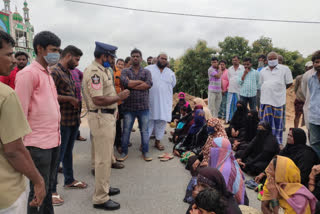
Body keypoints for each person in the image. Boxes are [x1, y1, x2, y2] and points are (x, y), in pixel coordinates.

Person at [15, 31, 61, 214]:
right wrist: (22, 146)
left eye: (58, 50)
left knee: (48, 187)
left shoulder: (47, 73)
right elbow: (20, 112)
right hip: (37, 144)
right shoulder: (28, 74)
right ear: (40, 49)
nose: (56, 54)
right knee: (38, 190)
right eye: (53, 50)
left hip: (53, 140)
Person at [0, 30, 46, 213]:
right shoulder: (5, 95)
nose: (13, 60)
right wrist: (38, 180)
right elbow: (14, 151)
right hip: (7, 193)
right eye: (9, 54)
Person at [82, 41, 130, 210]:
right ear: (103, 56)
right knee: (103, 160)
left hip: (106, 117)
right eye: (111, 57)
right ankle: (100, 198)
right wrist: (119, 97)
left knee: (106, 157)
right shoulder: (95, 72)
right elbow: (98, 99)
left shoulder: (104, 70)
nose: (112, 59)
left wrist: (114, 107)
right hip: (101, 118)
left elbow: (105, 94)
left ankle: (104, 188)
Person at [50, 45, 87, 206]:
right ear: (68, 56)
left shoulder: (68, 72)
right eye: (77, 59)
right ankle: (51, 190)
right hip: (62, 121)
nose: (78, 63)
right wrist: (69, 99)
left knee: (67, 153)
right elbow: (50, 95)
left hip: (73, 120)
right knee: (57, 156)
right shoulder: (55, 72)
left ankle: (69, 180)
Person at [119, 48, 153, 161]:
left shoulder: (146, 72)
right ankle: (124, 152)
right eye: (133, 56)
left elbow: (148, 84)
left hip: (143, 107)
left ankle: (145, 152)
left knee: (145, 131)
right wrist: (140, 82)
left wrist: (131, 85)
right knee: (126, 130)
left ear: (141, 58)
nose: (135, 58)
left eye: (137, 56)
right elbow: (124, 82)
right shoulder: (125, 71)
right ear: (131, 57)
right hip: (129, 107)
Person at [259, 52, 293, 145]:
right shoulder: (263, 71)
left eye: (274, 58)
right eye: (270, 59)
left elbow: (289, 83)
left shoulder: (285, 69)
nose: (272, 60)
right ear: (267, 60)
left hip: (278, 102)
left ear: (277, 59)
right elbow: (262, 84)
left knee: (277, 125)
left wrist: (280, 89)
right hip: (265, 102)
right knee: (265, 125)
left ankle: (277, 143)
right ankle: (264, 143)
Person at [146, 53, 176, 151]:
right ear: (157, 59)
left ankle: (157, 142)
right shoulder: (148, 69)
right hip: (150, 101)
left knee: (161, 123)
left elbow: (173, 84)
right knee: (148, 122)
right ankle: (144, 143)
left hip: (164, 102)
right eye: (162, 58)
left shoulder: (170, 72)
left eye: (165, 59)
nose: (163, 60)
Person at [209, 137, 248, 205]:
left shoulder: (224, 170)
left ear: (221, 150)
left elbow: (220, 196)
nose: (210, 149)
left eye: (213, 147)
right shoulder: (226, 159)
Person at [308, 51, 320, 159]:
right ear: (313, 64)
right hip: (314, 117)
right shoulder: (311, 79)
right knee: (314, 143)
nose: (319, 64)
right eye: (316, 62)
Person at [294, 62, 312, 128]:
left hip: (308, 101)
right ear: (305, 68)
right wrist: (299, 96)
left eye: (311, 68)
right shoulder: (299, 77)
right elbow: (295, 89)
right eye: (308, 68)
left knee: (306, 118)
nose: (309, 69)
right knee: (297, 116)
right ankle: (295, 130)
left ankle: (305, 131)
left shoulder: (314, 78)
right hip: (300, 100)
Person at [226, 56, 244, 123]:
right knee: (229, 106)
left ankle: (240, 121)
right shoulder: (230, 69)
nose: (234, 61)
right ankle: (228, 120)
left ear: (239, 61)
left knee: (239, 106)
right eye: (233, 60)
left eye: (236, 60)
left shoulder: (242, 68)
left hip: (239, 90)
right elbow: (229, 78)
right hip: (231, 90)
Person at [114, 58, 125, 154]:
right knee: (113, 124)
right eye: (119, 64)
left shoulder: (123, 74)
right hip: (110, 101)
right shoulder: (111, 72)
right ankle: (114, 142)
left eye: (122, 64)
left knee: (118, 124)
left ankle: (118, 143)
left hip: (120, 102)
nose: (120, 66)